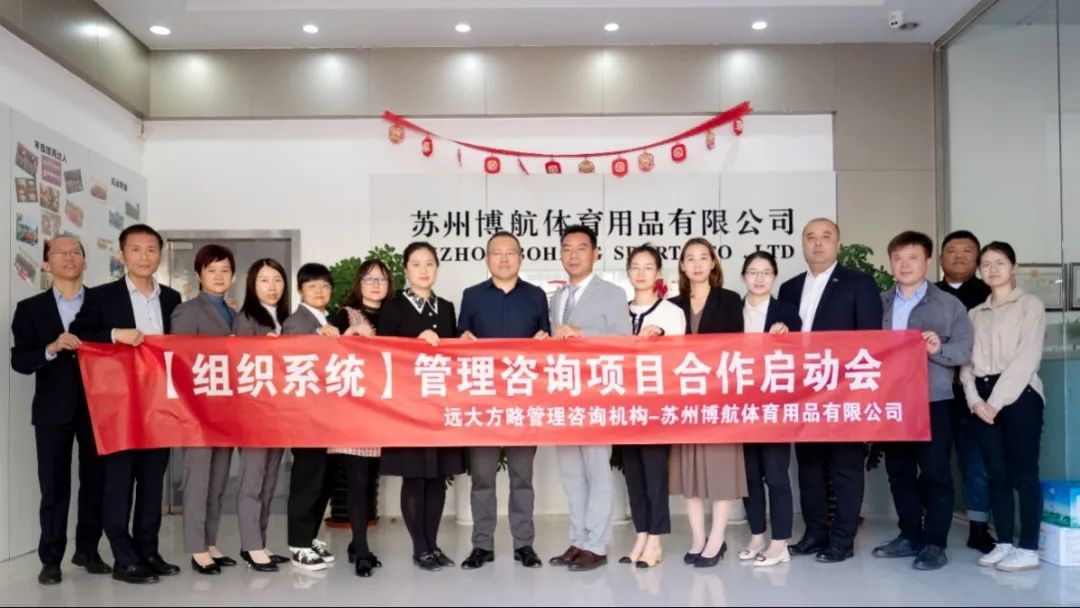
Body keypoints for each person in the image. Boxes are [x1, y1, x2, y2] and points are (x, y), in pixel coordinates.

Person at [70, 224, 182, 584]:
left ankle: (148, 551)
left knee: (152, 483)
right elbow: (79, 334)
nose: (144, 257)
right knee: (118, 483)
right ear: (122, 255)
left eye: (151, 250)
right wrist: (114, 334)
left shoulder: (172, 298)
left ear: (160, 255)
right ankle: (124, 557)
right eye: (136, 249)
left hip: (160, 405)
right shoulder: (103, 297)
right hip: (119, 408)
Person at [777, 218, 883, 564]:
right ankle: (815, 532)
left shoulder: (859, 283)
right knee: (808, 466)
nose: (818, 243)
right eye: (811, 237)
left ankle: (842, 540)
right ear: (803, 245)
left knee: (845, 466)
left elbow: (870, 340)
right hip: (804, 392)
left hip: (844, 392)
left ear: (838, 244)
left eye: (826, 237)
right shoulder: (790, 288)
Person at [11, 237, 110, 585]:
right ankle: (51, 559)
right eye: (60, 253)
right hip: (52, 410)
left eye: (75, 253)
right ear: (46, 264)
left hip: (99, 407)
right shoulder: (30, 309)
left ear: (85, 261)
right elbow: (20, 360)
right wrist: (51, 348)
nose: (69, 258)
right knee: (53, 486)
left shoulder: (102, 303)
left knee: (95, 481)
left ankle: (88, 550)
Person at [872, 231, 973, 571]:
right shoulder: (879, 303)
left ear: (927, 261)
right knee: (899, 472)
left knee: (936, 473)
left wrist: (938, 349)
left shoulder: (949, 305)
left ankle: (934, 542)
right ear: (891, 263)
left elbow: (964, 350)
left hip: (933, 400)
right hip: (891, 401)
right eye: (898, 258)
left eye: (912, 257)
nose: (905, 264)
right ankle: (909, 535)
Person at [457, 232, 550, 570]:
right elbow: (459, 344)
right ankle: (482, 545)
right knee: (482, 477)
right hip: (483, 404)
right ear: (487, 259)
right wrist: (461, 339)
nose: (504, 259)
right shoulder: (471, 296)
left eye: (511, 252)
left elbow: (547, 346)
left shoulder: (536, 296)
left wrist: (545, 340)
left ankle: (524, 544)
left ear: (521, 258)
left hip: (524, 403)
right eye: (497, 253)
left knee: (522, 478)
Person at [546, 225, 632, 573]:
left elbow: (624, 339)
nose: (574, 254)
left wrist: (583, 334)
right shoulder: (557, 297)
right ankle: (579, 538)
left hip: (596, 396)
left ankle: (596, 543)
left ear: (595, 253)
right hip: (564, 396)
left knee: (597, 471)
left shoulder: (612, 293)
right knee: (571, 473)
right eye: (567, 248)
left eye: (581, 248)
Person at [377, 241, 463, 572]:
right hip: (407, 409)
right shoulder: (393, 307)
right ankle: (419, 548)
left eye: (430, 263)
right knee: (414, 476)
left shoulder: (447, 308)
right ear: (405, 269)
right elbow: (383, 355)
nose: (424, 270)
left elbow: (453, 355)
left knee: (437, 476)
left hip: (439, 407)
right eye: (416, 264)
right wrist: (413, 344)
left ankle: (433, 544)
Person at [961, 241, 1046, 573]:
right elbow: (965, 364)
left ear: (1014, 267)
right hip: (982, 397)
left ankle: (1029, 548)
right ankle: (1005, 543)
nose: (992, 269)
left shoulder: (1030, 305)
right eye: (986, 264)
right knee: (995, 474)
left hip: (1020, 394)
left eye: (999, 262)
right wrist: (974, 400)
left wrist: (995, 402)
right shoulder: (974, 314)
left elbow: (1026, 359)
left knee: (1024, 473)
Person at [669, 237, 746, 568]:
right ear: (682, 265)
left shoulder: (729, 300)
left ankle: (717, 539)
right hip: (685, 400)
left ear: (713, 263)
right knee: (691, 472)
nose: (697, 264)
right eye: (690, 258)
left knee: (721, 468)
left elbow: (736, 348)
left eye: (704, 257)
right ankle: (698, 538)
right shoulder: (672, 306)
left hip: (719, 398)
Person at [170, 245, 239, 575]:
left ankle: (210, 542)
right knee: (197, 481)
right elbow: (180, 361)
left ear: (233, 276)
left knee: (218, 481)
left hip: (227, 412)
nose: (219, 276)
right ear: (199, 275)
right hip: (198, 413)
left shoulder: (234, 313)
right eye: (212, 270)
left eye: (225, 270)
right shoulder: (187, 311)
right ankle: (196, 549)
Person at [619, 244, 685, 569]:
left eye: (648, 267)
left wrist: (661, 338)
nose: (641, 273)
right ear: (628, 272)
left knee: (655, 473)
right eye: (635, 267)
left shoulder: (671, 313)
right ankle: (641, 535)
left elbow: (680, 360)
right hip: (624, 407)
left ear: (658, 273)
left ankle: (656, 540)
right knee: (633, 474)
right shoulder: (619, 312)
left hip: (657, 408)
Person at [328, 259, 394, 578]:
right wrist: (343, 335)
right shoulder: (344, 315)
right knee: (357, 481)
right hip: (353, 412)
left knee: (370, 482)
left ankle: (357, 543)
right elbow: (324, 352)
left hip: (388, 412)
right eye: (369, 279)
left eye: (381, 279)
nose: (375, 285)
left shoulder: (396, 315)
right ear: (359, 283)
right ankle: (363, 552)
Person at [737, 251, 800, 568]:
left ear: (774, 277)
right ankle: (757, 536)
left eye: (766, 272)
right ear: (743, 277)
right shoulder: (732, 312)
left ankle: (780, 542)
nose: (759, 278)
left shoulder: (787, 313)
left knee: (776, 475)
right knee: (749, 476)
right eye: (753, 272)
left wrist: (787, 336)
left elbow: (802, 355)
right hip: (740, 406)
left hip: (775, 406)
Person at [936, 230, 996, 554]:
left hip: (977, 393)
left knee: (976, 462)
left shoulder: (990, 295)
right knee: (934, 462)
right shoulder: (928, 295)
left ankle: (978, 529)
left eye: (967, 250)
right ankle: (933, 528)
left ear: (977, 258)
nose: (959, 256)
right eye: (952, 250)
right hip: (936, 392)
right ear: (940, 258)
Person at [281, 262, 342, 571]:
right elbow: (295, 362)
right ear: (301, 290)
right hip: (305, 419)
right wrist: (318, 337)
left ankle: (309, 536)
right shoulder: (297, 323)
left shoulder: (326, 320)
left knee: (323, 481)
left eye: (325, 285)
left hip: (327, 417)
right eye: (312, 285)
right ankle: (298, 544)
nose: (319, 291)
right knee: (307, 481)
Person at [232, 258, 292, 572]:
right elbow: (241, 365)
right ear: (252, 285)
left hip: (279, 415)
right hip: (255, 415)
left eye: (277, 280)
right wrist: (260, 347)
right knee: (252, 482)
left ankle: (259, 542)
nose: (272, 287)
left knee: (269, 482)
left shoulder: (286, 319)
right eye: (264, 280)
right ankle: (251, 545)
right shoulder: (246, 319)